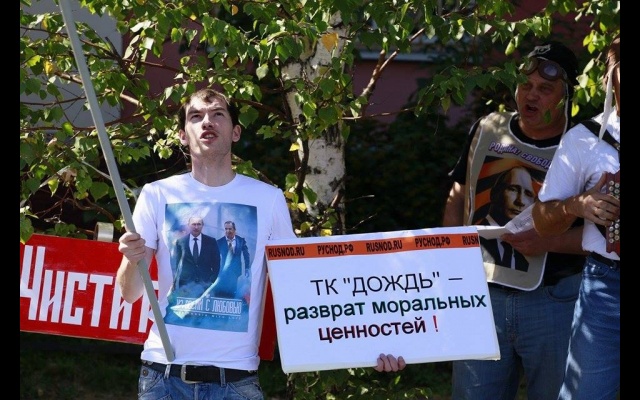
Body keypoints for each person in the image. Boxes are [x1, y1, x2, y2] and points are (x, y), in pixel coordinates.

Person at [117, 88, 404, 399]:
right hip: (164, 377)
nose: (207, 122)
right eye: (196, 116)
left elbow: (298, 290)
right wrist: (131, 258)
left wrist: (373, 344)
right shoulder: (157, 194)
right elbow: (130, 292)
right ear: (183, 136)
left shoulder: (268, 199)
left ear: (236, 132)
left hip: (236, 380)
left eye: (217, 114)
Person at [441, 41, 587, 400]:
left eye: (545, 89)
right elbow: (458, 194)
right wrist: (449, 258)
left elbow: (604, 234)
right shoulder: (487, 128)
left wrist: (549, 242)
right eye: (525, 84)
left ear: (565, 98)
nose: (531, 95)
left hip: (554, 300)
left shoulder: (584, 146)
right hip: (481, 294)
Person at [532, 34, 620, 400]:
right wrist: (577, 205)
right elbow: (541, 220)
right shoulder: (584, 139)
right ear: (610, 77)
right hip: (607, 286)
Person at [479, 166, 538, 271]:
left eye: (528, 194)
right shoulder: (474, 239)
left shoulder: (527, 254)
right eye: (513, 189)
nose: (520, 201)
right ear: (494, 193)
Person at [172, 215, 221, 296]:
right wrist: (174, 282)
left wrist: (212, 280)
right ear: (189, 225)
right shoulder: (181, 242)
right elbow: (177, 263)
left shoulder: (211, 241)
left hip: (205, 284)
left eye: (199, 224)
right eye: (193, 224)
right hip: (185, 285)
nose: (196, 227)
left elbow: (216, 262)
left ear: (202, 226)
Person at [212, 220, 251, 299]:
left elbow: (246, 255)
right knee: (221, 292)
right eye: (226, 229)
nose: (228, 231)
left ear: (234, 230)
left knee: (232, 292)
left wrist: (247, 268)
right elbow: (214, 257)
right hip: (223, 271)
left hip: (235, 272)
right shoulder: (219, 242)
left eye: (230, 229)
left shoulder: (241, 241)